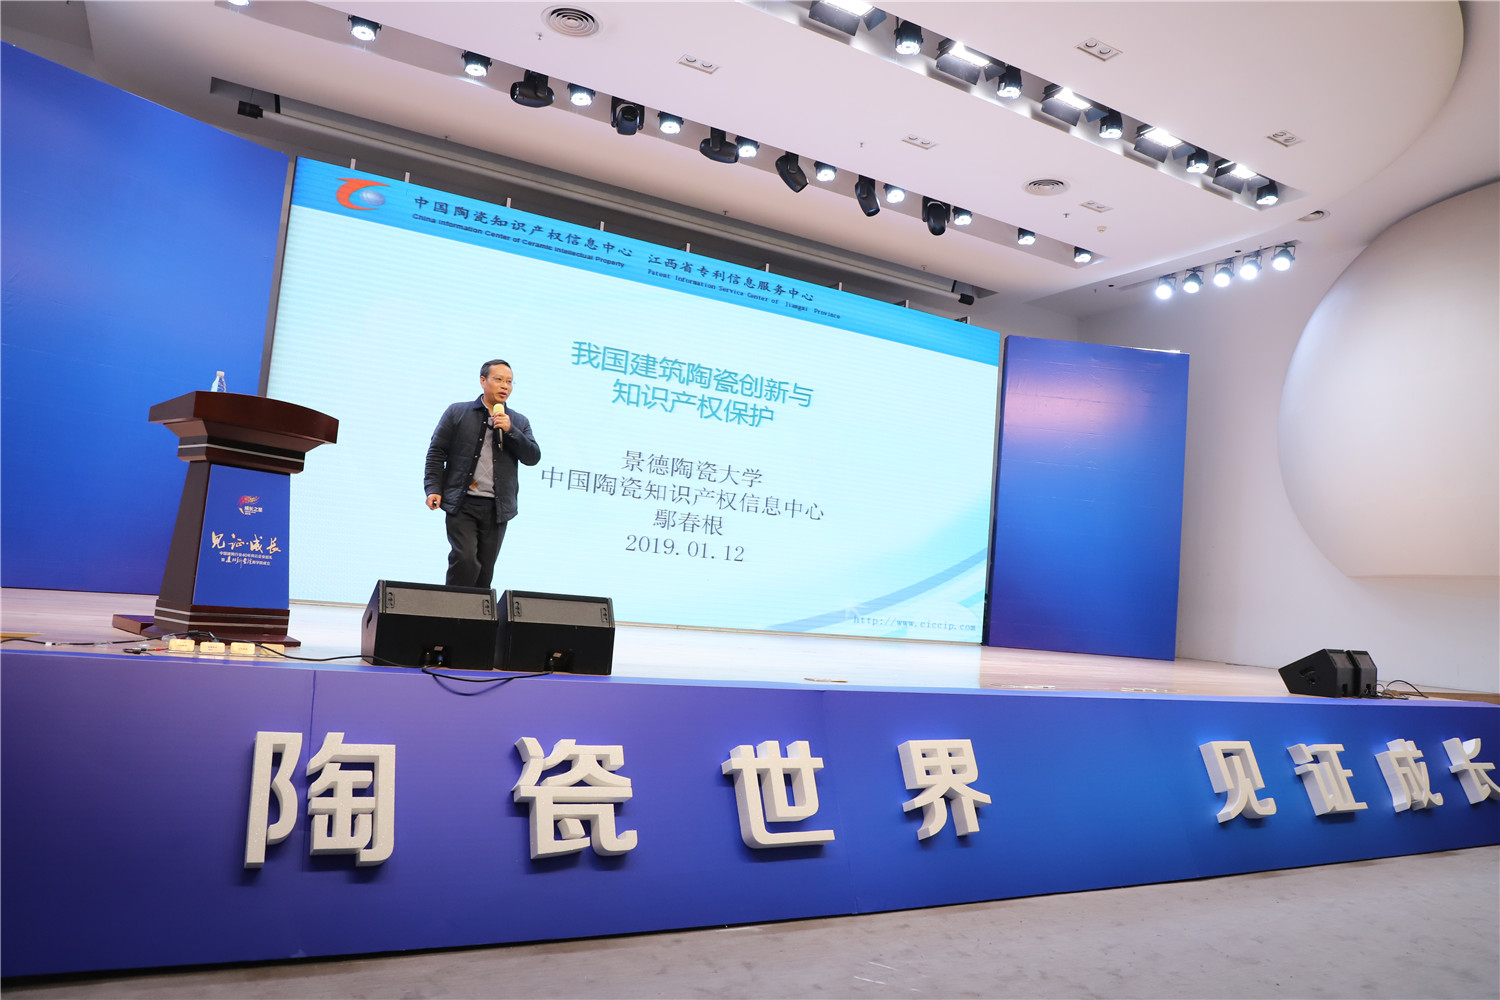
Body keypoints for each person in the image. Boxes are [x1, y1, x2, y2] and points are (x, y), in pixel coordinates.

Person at [424, 359, 541, 588]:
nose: (505, 386)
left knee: (485, 572)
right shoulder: (457, 412)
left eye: (509, 382)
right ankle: (451, 607)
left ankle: (476, 611)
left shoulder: (518, 421)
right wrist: (433, 488)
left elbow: (532, 457)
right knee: (465, 559)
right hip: (462, 502)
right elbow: (437, 453)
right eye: (499, 380)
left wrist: (511, 430)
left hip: (497, 508)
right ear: (482, 381)